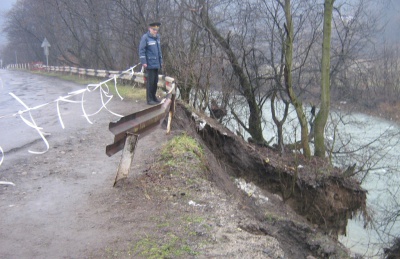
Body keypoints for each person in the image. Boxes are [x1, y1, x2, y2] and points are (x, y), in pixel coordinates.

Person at [139, 21, 163, 105]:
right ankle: (149, 99)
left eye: (156, 29)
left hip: (156, 63)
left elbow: (159, 51)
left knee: (155, 82)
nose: (155, 31)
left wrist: (161, 61)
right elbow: (142, 50)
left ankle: (154, 97)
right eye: (154, 29)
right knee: (150, 82)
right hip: (149, 63)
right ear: (150, 29)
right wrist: (144, 62)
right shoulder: (145, 38)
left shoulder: (157, 38)